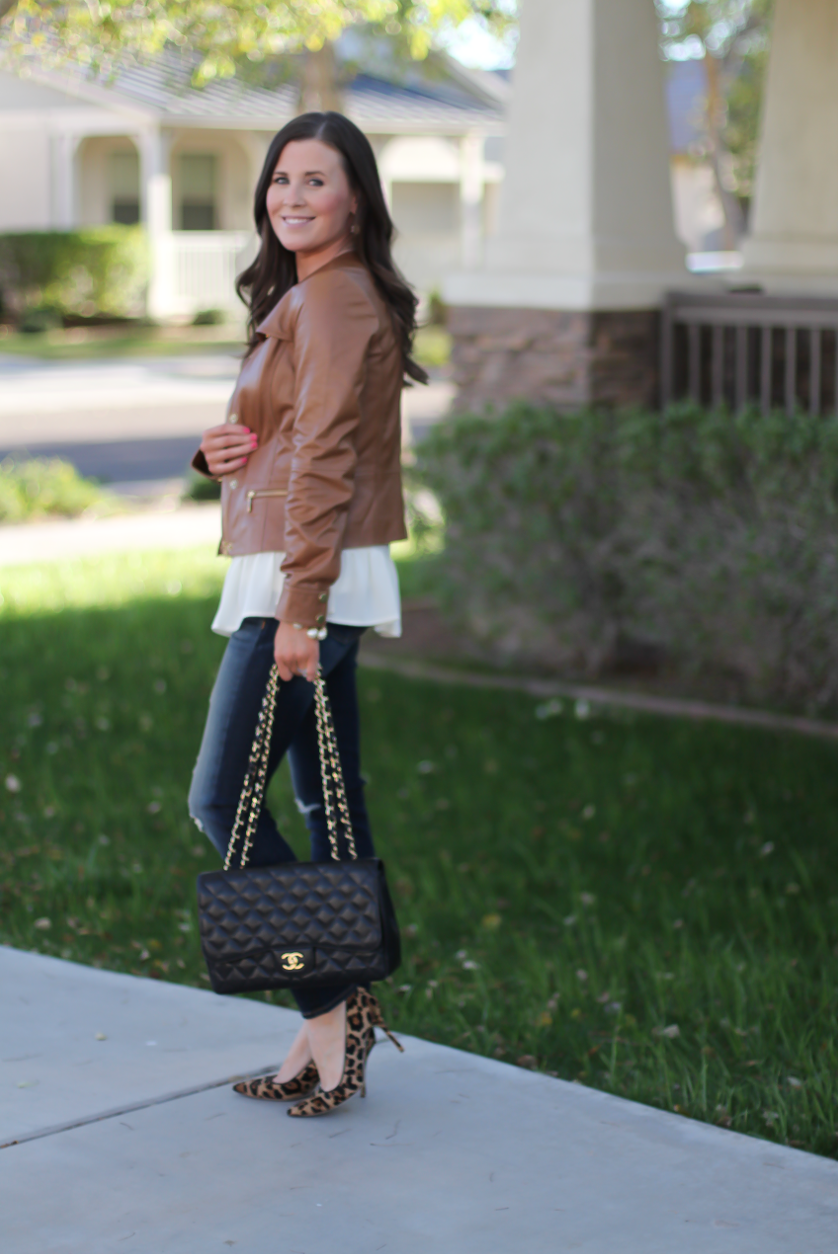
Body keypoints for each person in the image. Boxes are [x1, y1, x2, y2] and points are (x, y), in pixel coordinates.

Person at [188, 111, 426, 1118]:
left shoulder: (333, 299)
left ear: (355, 199)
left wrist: (300, 610)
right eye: (280, 178)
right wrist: (216, 455)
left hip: (302, 583)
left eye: (315, 181)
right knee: (329, 803)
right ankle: (328, 1018)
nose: (290, 196)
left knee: (217, 800)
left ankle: (332, 1002)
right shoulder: (312, 293)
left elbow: (329, 455)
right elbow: (287, 435)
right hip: (306, 571)